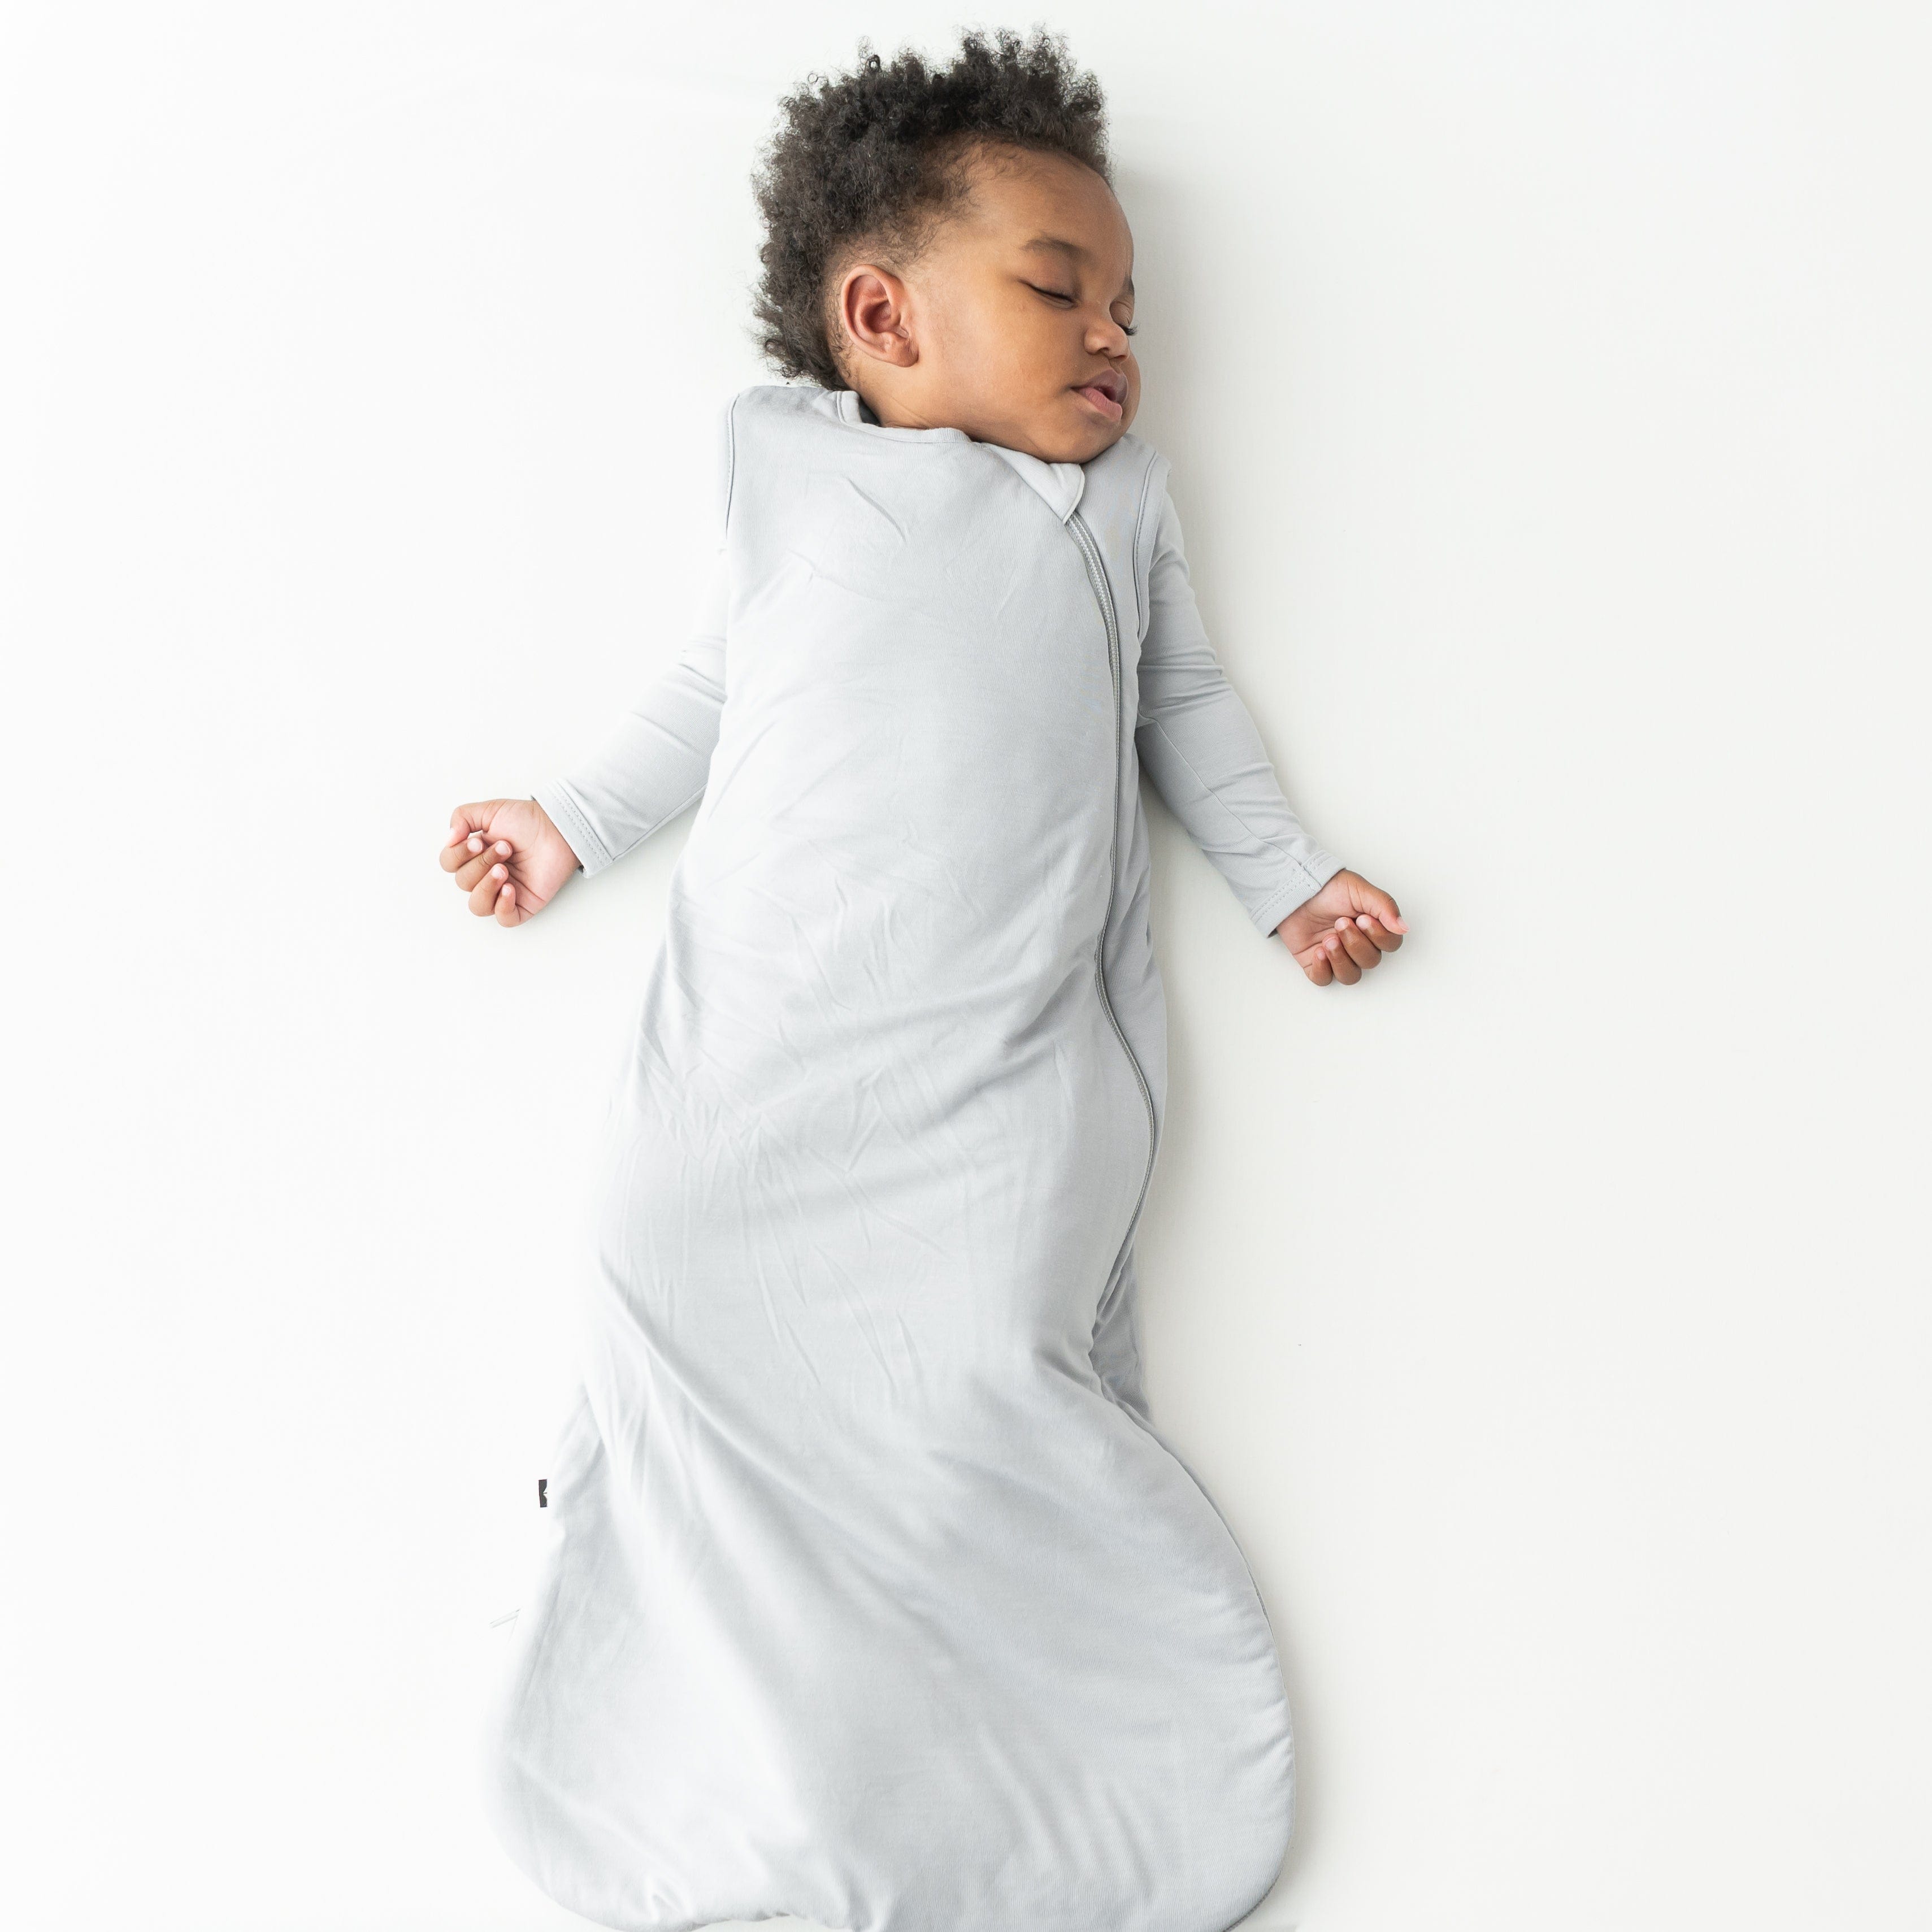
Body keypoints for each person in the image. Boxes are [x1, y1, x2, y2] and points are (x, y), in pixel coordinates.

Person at [441, 29, 1406, 1932]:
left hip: (992, 1069)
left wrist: (1288, 879)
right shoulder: (783, 480)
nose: (1114, 336)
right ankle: (686, 1741)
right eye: (1060, 288)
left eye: (1128, 304)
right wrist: (566, 817)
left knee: (978, 1359)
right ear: (878, 315)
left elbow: (1186, 711)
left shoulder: (1115, 510)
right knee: (671, 1310)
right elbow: (710, 694)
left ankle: (1038, 1787)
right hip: (754, 1069)